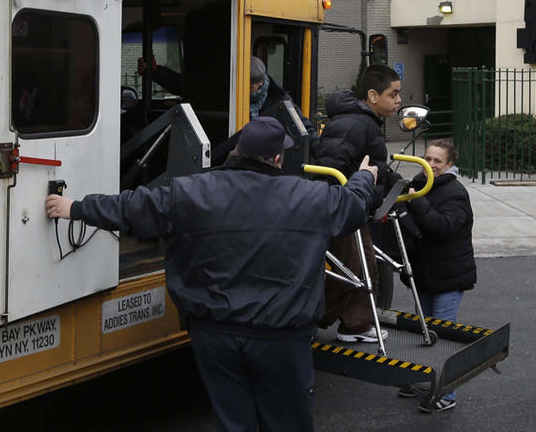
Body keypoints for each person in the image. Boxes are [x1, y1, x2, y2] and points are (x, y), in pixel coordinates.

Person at [45, 117, 377, 432]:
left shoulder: (188, 192)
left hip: (213, 334)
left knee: (233, 420)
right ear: (277, 158)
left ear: (238, 151)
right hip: (281, 337)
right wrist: (366, 176)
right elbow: (355, 205)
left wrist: (73, 207)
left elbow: (128, 208)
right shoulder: (312, 198)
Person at [314, 64, 403, 342]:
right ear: (373, 96)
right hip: (344, 207)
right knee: (353, 268)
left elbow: (369, 164)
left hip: (354, 203)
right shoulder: (355, 124)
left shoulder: (363, 121)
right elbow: (329, 167)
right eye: (394, 94)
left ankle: (356, 325)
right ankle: (310, 316)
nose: (399, 101)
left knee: (361, 264)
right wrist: (354, 195)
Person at [398, 138, 476, 412]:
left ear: (450, 164)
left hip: (449, 276)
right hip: (425, 273)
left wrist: (416, 202)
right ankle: (422, 381)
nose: (430, 165)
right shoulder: (419, 183)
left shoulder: (455, 193)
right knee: (425, 333)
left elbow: (444, 227)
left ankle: (447, 395)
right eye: (427, 159)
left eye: (438, 161)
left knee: (442, 337)